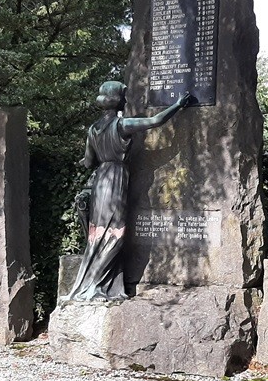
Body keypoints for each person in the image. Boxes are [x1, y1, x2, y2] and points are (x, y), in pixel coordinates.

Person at [63, 81, 191, 302]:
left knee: (100, 233)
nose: (126, 100)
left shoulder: (93, 129)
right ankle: (96, 285)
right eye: (123, 97)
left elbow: (87, 162)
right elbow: (155, 120)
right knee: (115, 234)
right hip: (115, 179)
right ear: (117, 101)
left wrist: (96, 154)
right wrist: (178, 105)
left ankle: (96, 283)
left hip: (101, 180)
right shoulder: (122, 125)